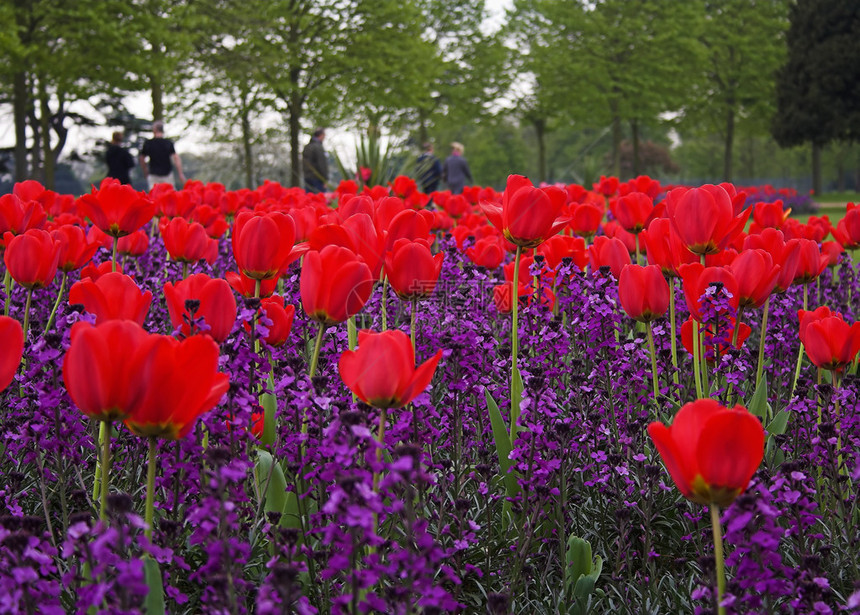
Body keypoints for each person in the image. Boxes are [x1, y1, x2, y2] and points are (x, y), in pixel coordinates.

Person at [139, 120, 186, 189]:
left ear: (154, 130)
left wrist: (145, 170)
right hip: (167, 175)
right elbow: (176, 158)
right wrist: (180, 173)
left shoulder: (148, 143)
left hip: (153, 175)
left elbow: (142, 158)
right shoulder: (168, 143)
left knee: (154, 196)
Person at [302, 127, 328, 193]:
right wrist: (325, 179)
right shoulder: (318, 147)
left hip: (307, 177)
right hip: (317, 178)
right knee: (319, 199)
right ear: (321, 135)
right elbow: (321, 164)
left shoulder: (307, 146)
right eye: (324, 135)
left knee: (309, 198)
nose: (324, 137)